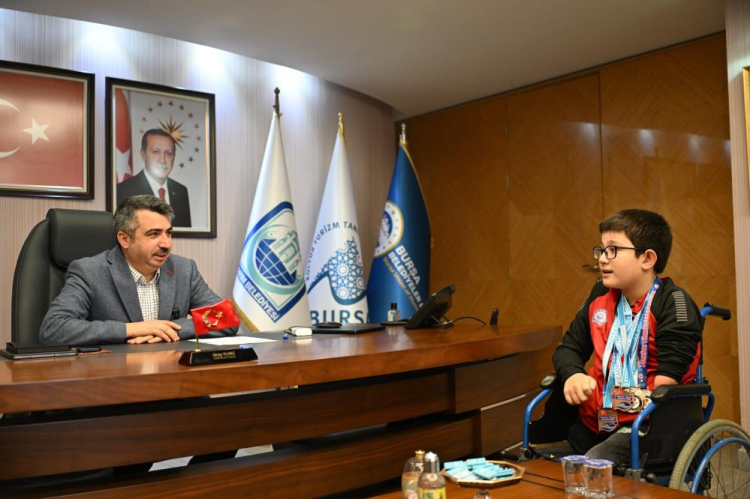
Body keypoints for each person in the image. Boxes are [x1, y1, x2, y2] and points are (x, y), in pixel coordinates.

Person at [552, 209, 703, 465]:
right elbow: (569, 349)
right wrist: (573, 374)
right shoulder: (600, 294)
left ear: (647, 258)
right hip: (594, 421)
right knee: (542, 462)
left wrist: (616, 400)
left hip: (645, 427)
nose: (602, 259)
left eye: (612, 250)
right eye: (601, 250)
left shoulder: (674, 303)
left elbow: (666, 385)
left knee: (590, 466)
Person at [41, 195, 236, 346]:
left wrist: (170, 329)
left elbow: (226, 318)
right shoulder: (90, 271)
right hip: (114, 376)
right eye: (154, 234)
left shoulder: (184, 269)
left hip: (172, 373)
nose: (166, 244)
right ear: (124, 239)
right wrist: (131, 329)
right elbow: (54, 328)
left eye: (168, 233)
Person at [116, 129, 192, 228]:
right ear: (143, 154)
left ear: (174, 157)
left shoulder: (181, 191)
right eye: (156, 152)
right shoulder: (124, 191)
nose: (162, 160)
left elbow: (186, 233)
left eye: (168, 153)